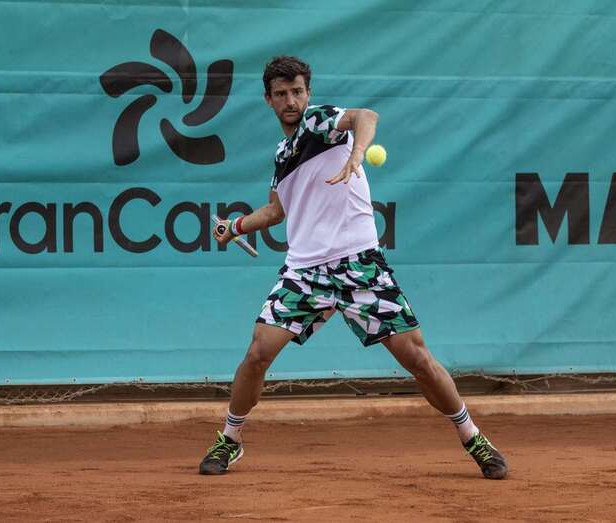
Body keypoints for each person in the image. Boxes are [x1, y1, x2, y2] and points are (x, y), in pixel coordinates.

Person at [199, 56, 508, 480]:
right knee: (257, 354)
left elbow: (366, 116)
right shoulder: (283, 154)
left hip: (359, 265)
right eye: (281, 94)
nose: (291, 101)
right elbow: (275, 211)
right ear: (268, 100)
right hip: (305, 272)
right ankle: (230, 439)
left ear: (308, 93)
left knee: (416, 357)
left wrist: (357, 153)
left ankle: (473, 436)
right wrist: (234, 227)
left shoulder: (320, 122)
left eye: (297, 92)